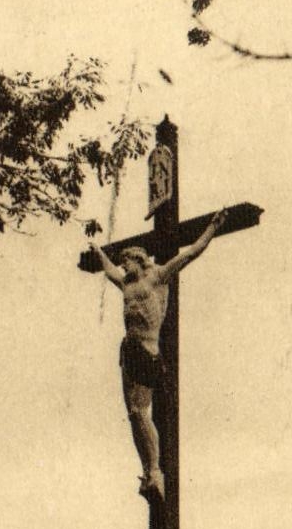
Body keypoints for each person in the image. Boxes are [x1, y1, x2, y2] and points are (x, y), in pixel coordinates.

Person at [94, 210, 228, 499]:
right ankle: (148, 472)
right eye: (122, 262)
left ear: (139, 259)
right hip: (129, 350)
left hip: (147, 350)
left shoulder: (157, 276)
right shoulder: (126, 283)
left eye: (127, 261)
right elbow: (109, 270)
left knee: (141, 411)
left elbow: (191, 253)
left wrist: (212, 228)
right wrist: (98, 252)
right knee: (134, 414)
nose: (123, 265)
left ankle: (156, 471)